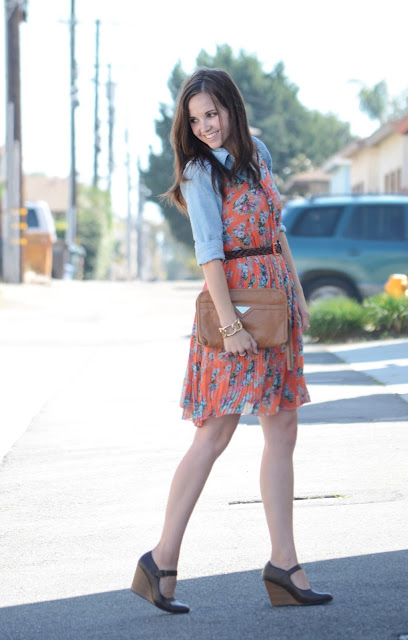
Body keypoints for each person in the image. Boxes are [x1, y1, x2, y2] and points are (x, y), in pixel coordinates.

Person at [131, 68, 333, 613]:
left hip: (276, 304)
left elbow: (277, 230)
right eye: (196, 120)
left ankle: (284, 564)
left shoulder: (258, 154)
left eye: (212, 113)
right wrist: (229, 326)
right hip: (237, 310)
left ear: (231, 109)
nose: (206, 126)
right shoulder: (200, 172)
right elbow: (210, 253)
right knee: (214, 433)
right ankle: (161, 559)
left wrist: (297, 293)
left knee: (283, 426)